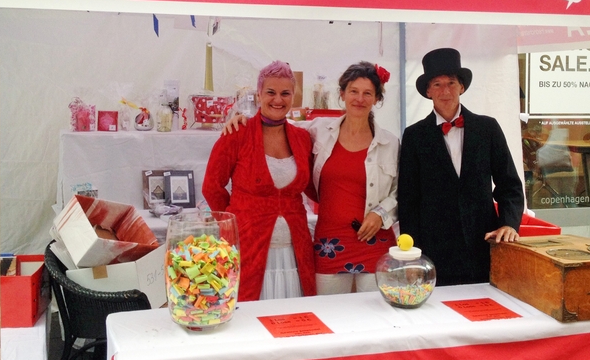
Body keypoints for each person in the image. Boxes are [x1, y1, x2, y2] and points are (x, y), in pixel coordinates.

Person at [224, 61, 400, 295]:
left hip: (375, 242)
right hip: (330, 243)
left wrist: (381, 213)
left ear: (377, 98)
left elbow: (402, 191)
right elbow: (276, 121)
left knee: (375, 311)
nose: (360, 99)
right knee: (328, 312)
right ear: (342, 94)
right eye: (353, 91)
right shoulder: (318, 131)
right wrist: (242, 119)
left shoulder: (391, 143)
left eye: (368, 93)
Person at [397, 47, 524, 286]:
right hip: (435, 252)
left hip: (483, 246)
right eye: (437, 84)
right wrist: (412, 255)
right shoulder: (415, 136)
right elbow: (408, 200)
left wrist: (509, 223)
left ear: (462, 87)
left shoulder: (488, 129)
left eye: (451, 83)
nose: (445, 91)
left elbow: (510, 185)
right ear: (428, 91)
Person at [202, 60, 316, 302]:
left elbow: (313, 186)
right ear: (259, 94)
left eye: (285, 93)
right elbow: (212, 186)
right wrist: (232, 223)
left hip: (294, 252)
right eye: (271, 92)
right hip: (249, 248)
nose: (278, 100)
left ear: (293, 96)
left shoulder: (303, 138)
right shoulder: (237, 134)